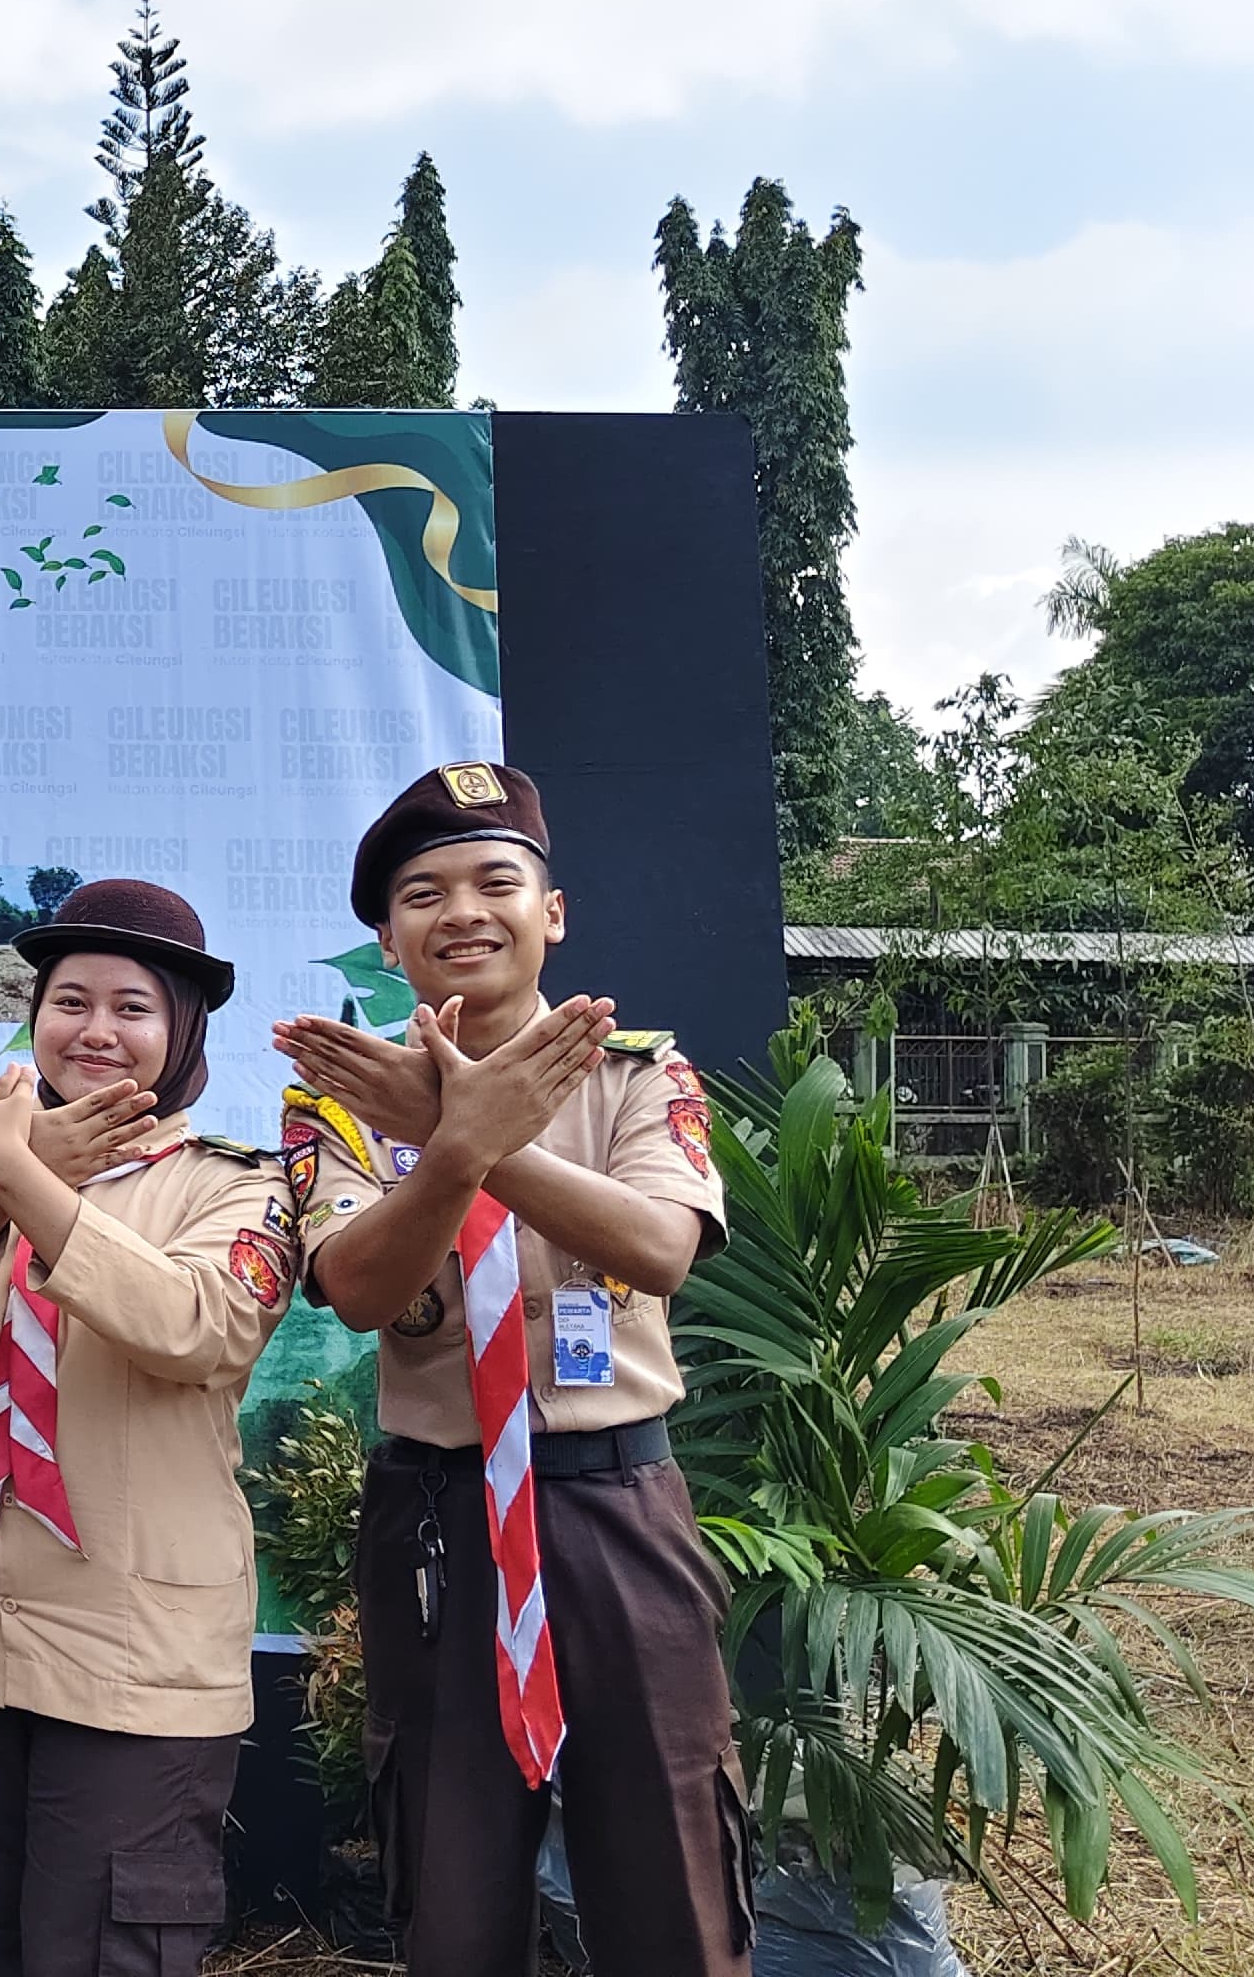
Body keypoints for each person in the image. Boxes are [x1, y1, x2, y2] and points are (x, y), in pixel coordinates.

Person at [271, 762, 750, 1977]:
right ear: (387, 938)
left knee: (671, 1883)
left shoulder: (641, 1075)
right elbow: (362, 1290)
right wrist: (441, 1142)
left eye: (497, 882)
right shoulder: (335, 1097)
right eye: (422, 894)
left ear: (554, 913)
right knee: (452, 1893)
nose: (463, 913)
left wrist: (453, 1130)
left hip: (614, 1511)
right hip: (438, 1523)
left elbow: (656, 1247)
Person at [0, 880, 294, 1976]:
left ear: (181, 1033)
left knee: (106, 1952)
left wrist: (22, 1178)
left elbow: (196, 1328)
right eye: (69, 1001)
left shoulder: (239, 1185)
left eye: (132, 1008)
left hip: (136, 1664)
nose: (95, 1032)